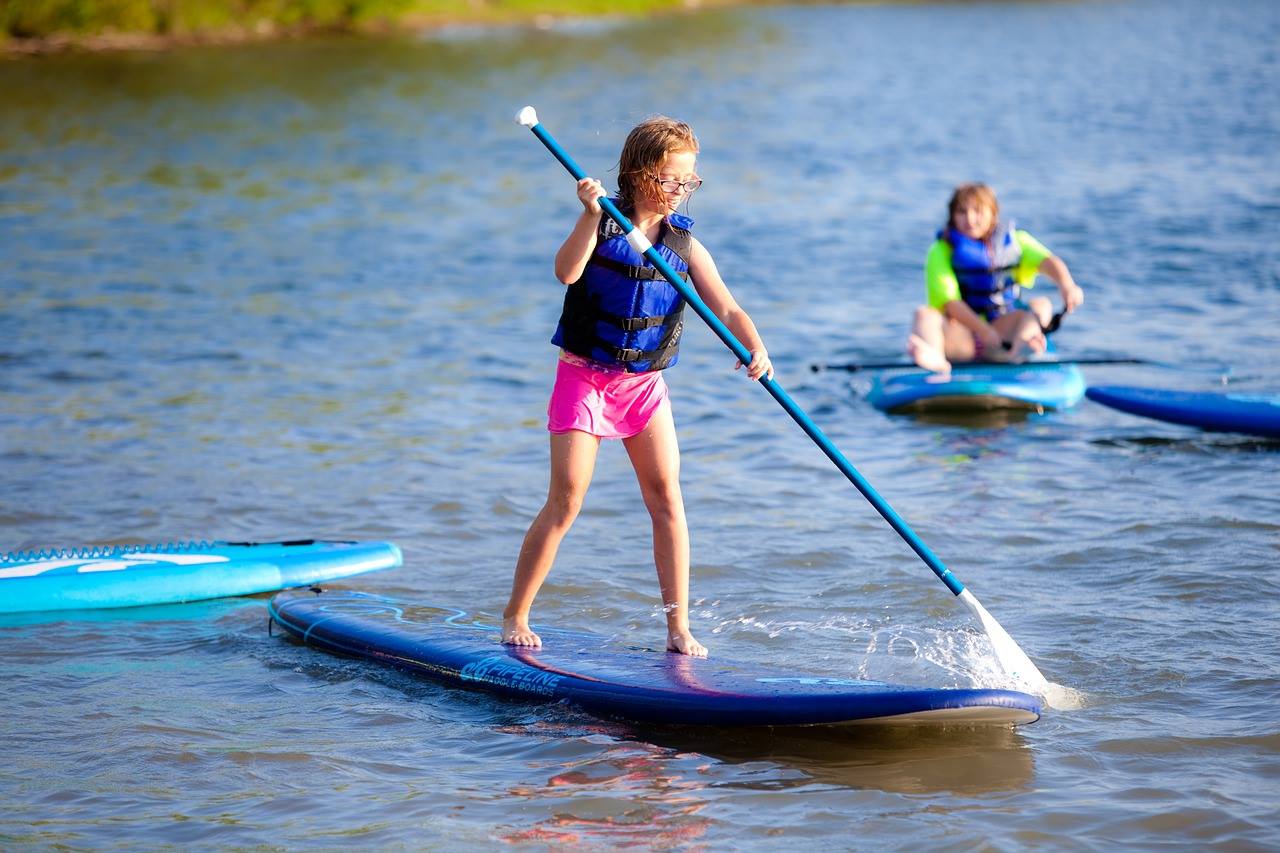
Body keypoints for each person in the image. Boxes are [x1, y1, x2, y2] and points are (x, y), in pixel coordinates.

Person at [502, 116, 773, 658]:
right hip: (584, 376)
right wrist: (587, 214)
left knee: (668, 499)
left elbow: (727, 306)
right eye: (672, 179)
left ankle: (678, 628)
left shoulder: (685, 245)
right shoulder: (602, 222)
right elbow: (566, 272)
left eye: (689, 182)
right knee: (567, 499)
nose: (681, 190)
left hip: (643, 386)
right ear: (639, 174)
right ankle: (516, 615)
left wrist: (756, 346)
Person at [907, 183, 1085, 374]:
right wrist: (983, 331)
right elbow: (949, 302)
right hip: (962, 339)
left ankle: (1023, 349)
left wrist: (1066, 285)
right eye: (962, 211)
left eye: (978, 210)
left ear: (993, 213)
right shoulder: (941, 250)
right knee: (923, 315)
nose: (970, 218)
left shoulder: (1016, 242)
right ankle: (935, 360)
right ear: (952, 216)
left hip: (1002, 337)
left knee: (1039, 307)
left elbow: (1047, 261)